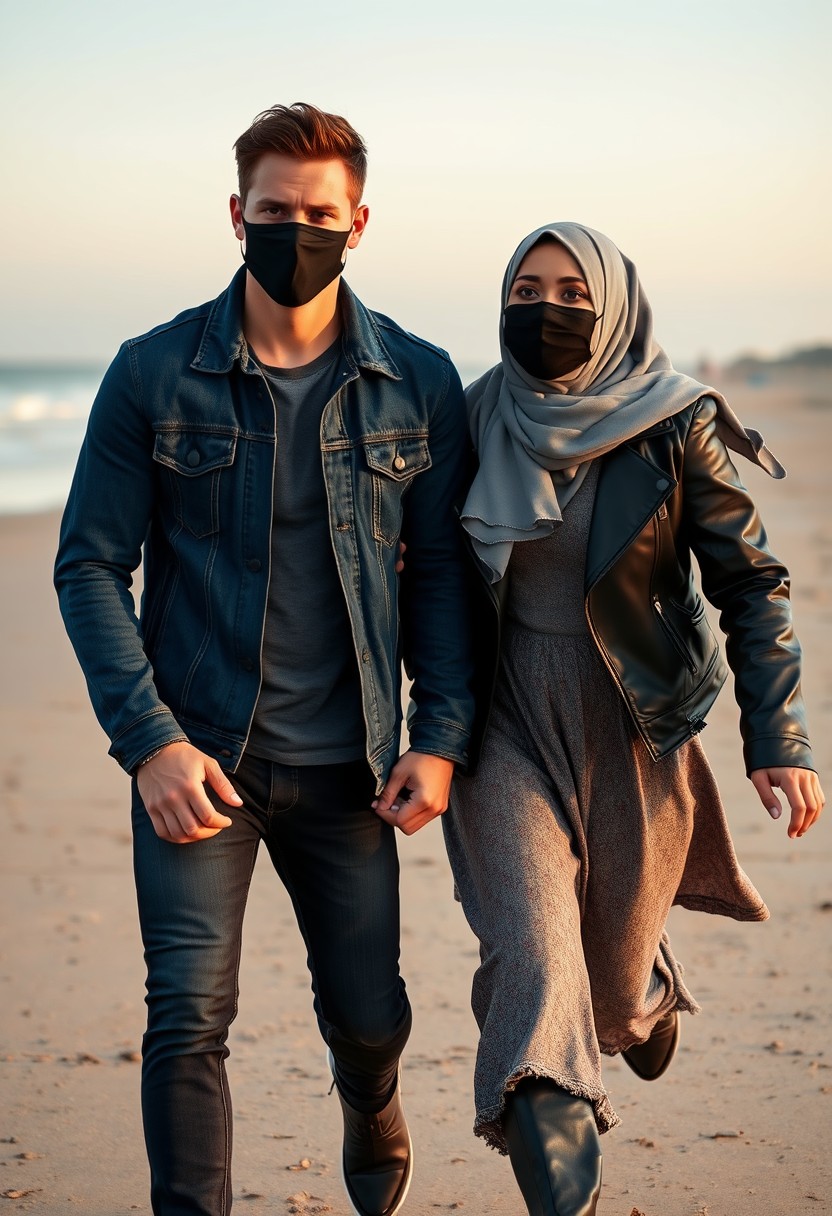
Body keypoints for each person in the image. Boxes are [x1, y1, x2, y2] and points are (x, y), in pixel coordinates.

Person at [54, 102, 475, 1216]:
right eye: (276, 211)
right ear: (236, 215)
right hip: (202, 759)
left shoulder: (420, 383)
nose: (298, 230)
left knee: (368, 1013)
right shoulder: (152, 373)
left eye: (320, 215)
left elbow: (440, 576)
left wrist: (437, 740)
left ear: (360, 222)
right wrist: (149, 742)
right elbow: (90, 565)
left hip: (351, 769)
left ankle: (370, 1096)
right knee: (185, 1011)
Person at [438, 222, 825, 1216]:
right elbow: (418, 569)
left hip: (633, 721)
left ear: (609, 308)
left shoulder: (675, 422)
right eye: (526, 286)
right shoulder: (474, 415)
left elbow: (751, 583)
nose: (546, 307)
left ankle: (645, 992)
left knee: (604, 996)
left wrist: (776, 736)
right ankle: (553, 1135)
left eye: (572, 292)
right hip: (502, 721)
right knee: (529, 945)